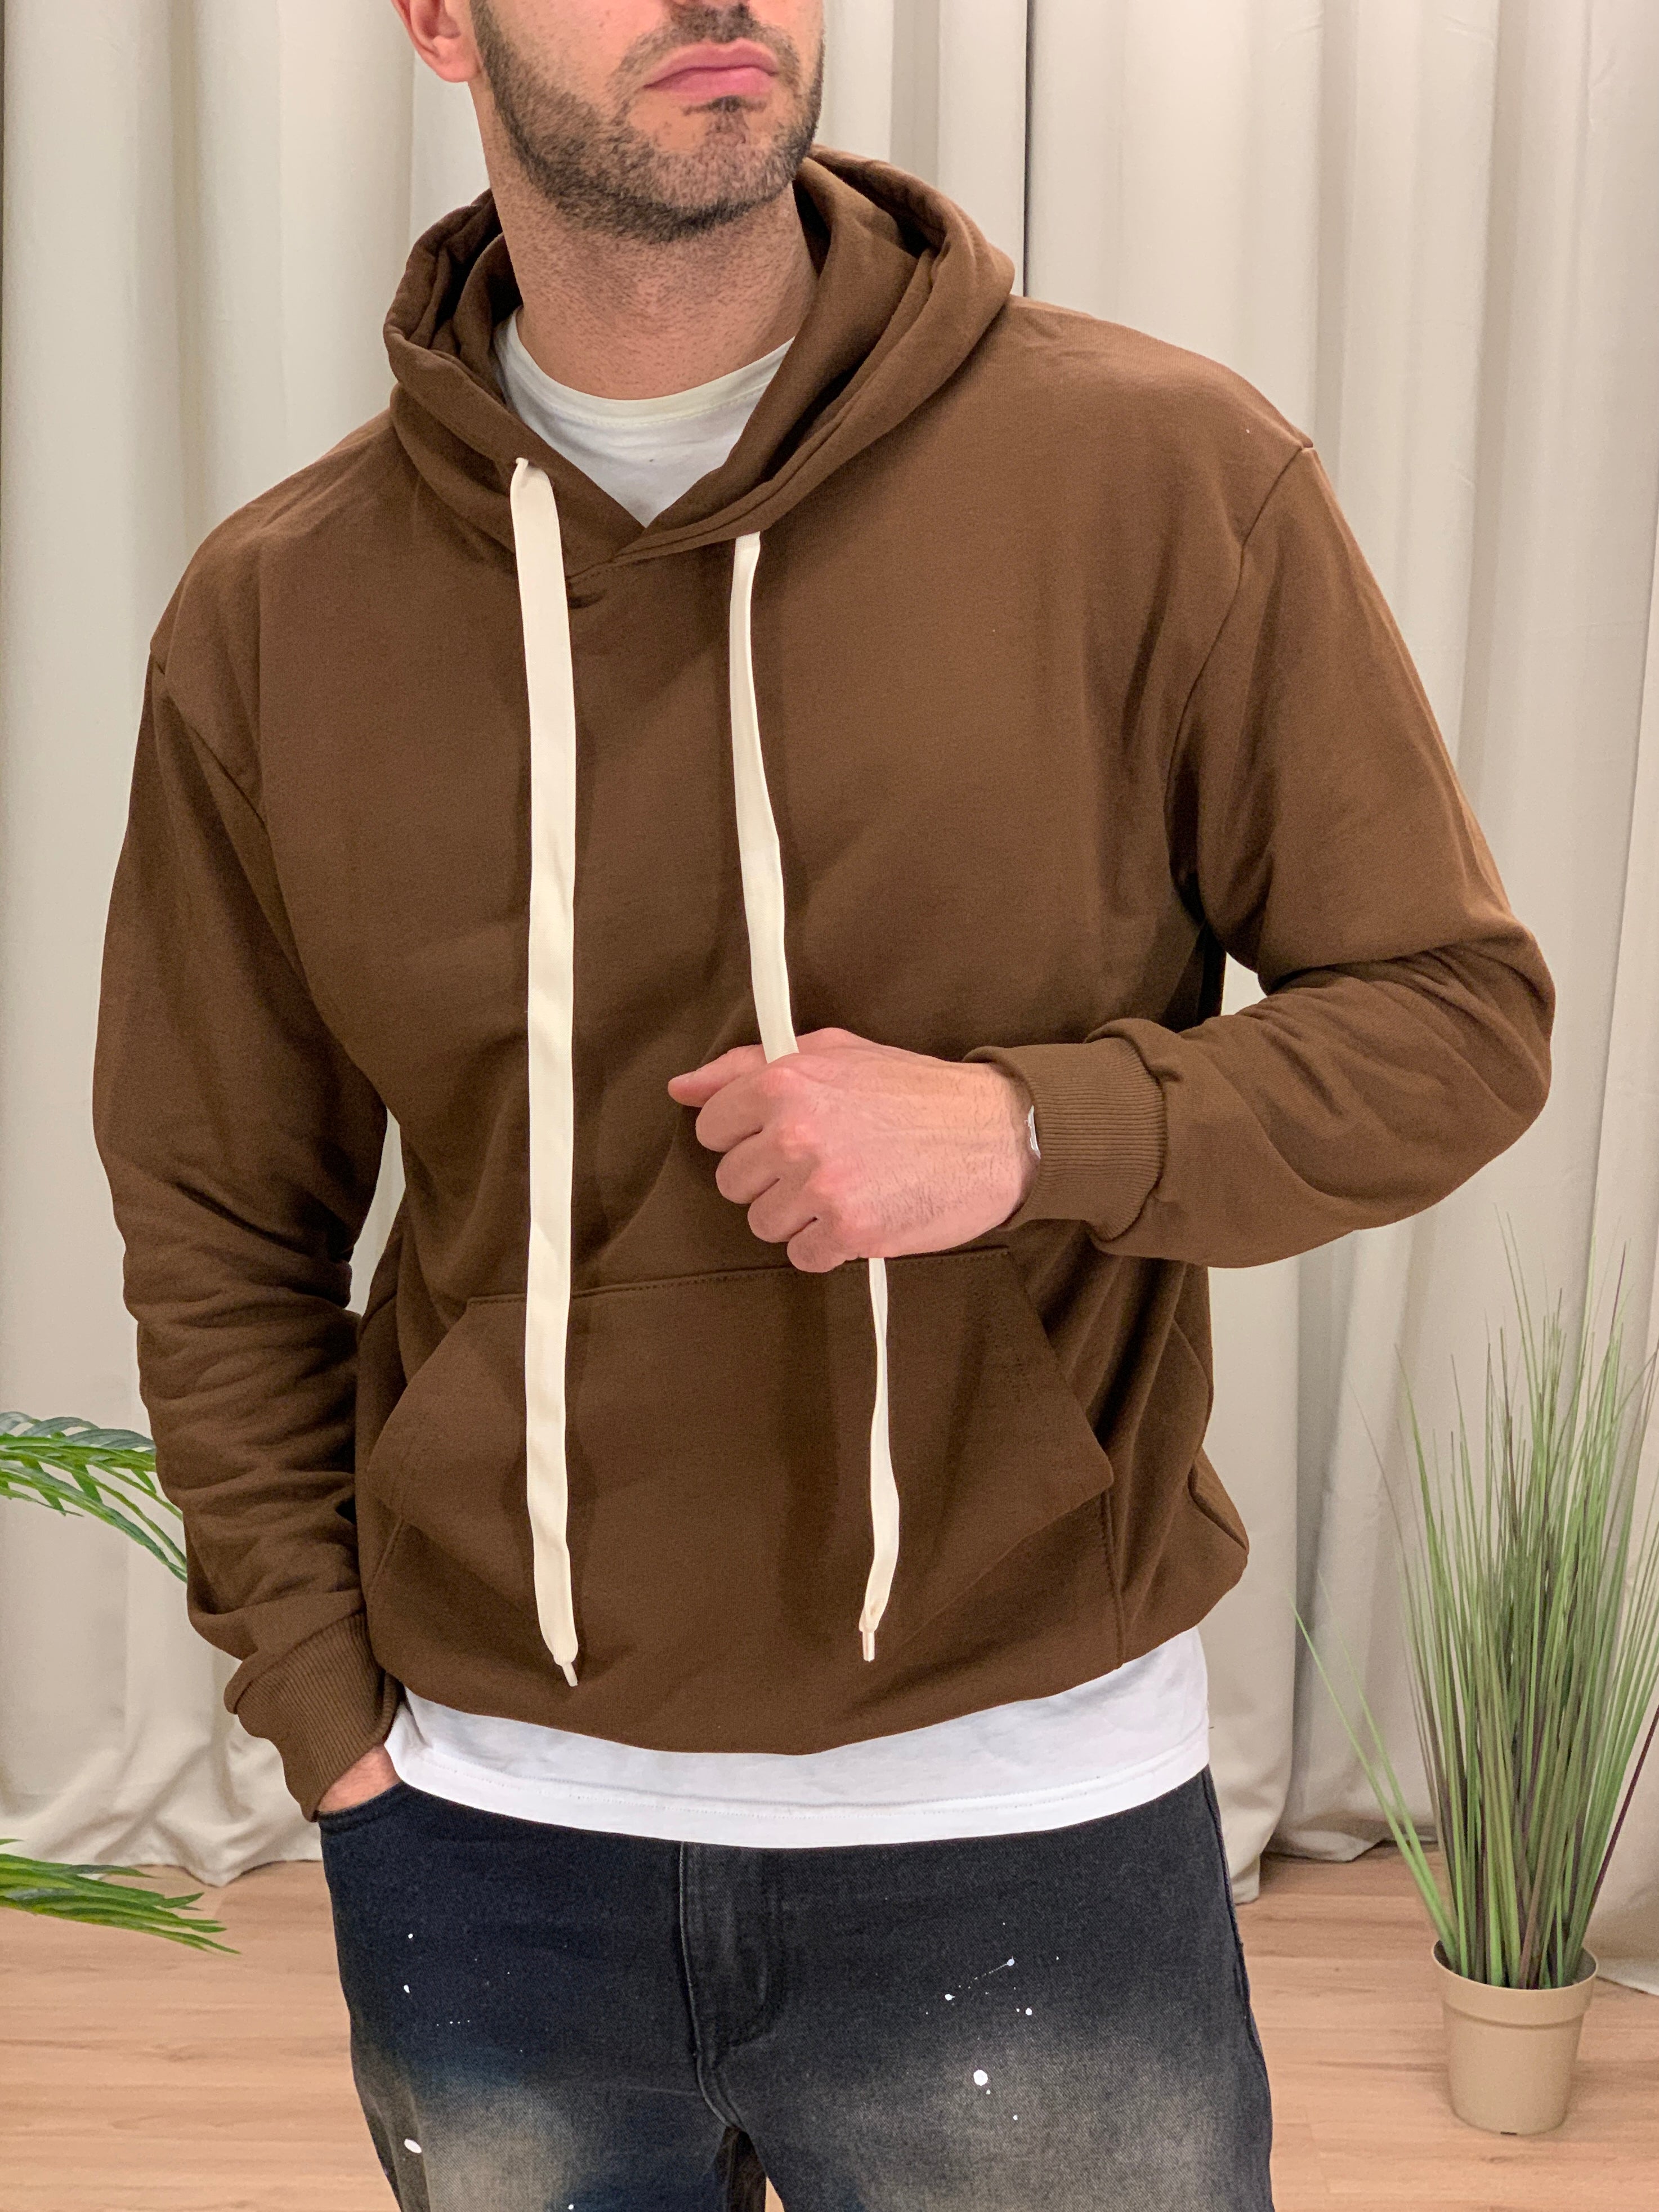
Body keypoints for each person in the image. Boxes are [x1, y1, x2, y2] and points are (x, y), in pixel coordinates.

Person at [92, 3, 1554, 2206]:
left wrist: (1031, 1131)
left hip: (1023, 1817)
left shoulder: (1161, 477)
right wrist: (323, 1708)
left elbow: (1453, 1020)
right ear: (436, 18)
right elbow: (216, 1205)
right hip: (486, 1838)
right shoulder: (279, 608)